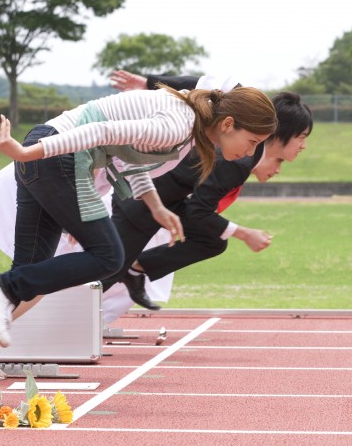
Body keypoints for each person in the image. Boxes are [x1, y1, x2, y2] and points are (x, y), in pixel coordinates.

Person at [0, 83, 277, 394]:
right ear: (228, 124)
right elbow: (101, 132)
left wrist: (155, 207)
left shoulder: (187, 131)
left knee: (32, 268)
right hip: (55, 155)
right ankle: (1, 287)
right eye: (253, 142)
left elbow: (131, 160)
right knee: (109, 257)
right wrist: (28, 153)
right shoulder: (179, 125)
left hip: (49, 153)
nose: (250, 153)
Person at [101, 71, 313, 311]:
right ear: (280, 133)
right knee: (105, 271)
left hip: (165, 202)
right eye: (302, 137)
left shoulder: (240, 153)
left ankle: (134, 270)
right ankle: (63, 325)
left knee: (212, 239)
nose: (304, 145)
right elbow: (205, 83)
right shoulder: (237, 160)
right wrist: (243, 233)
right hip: (139, 200)